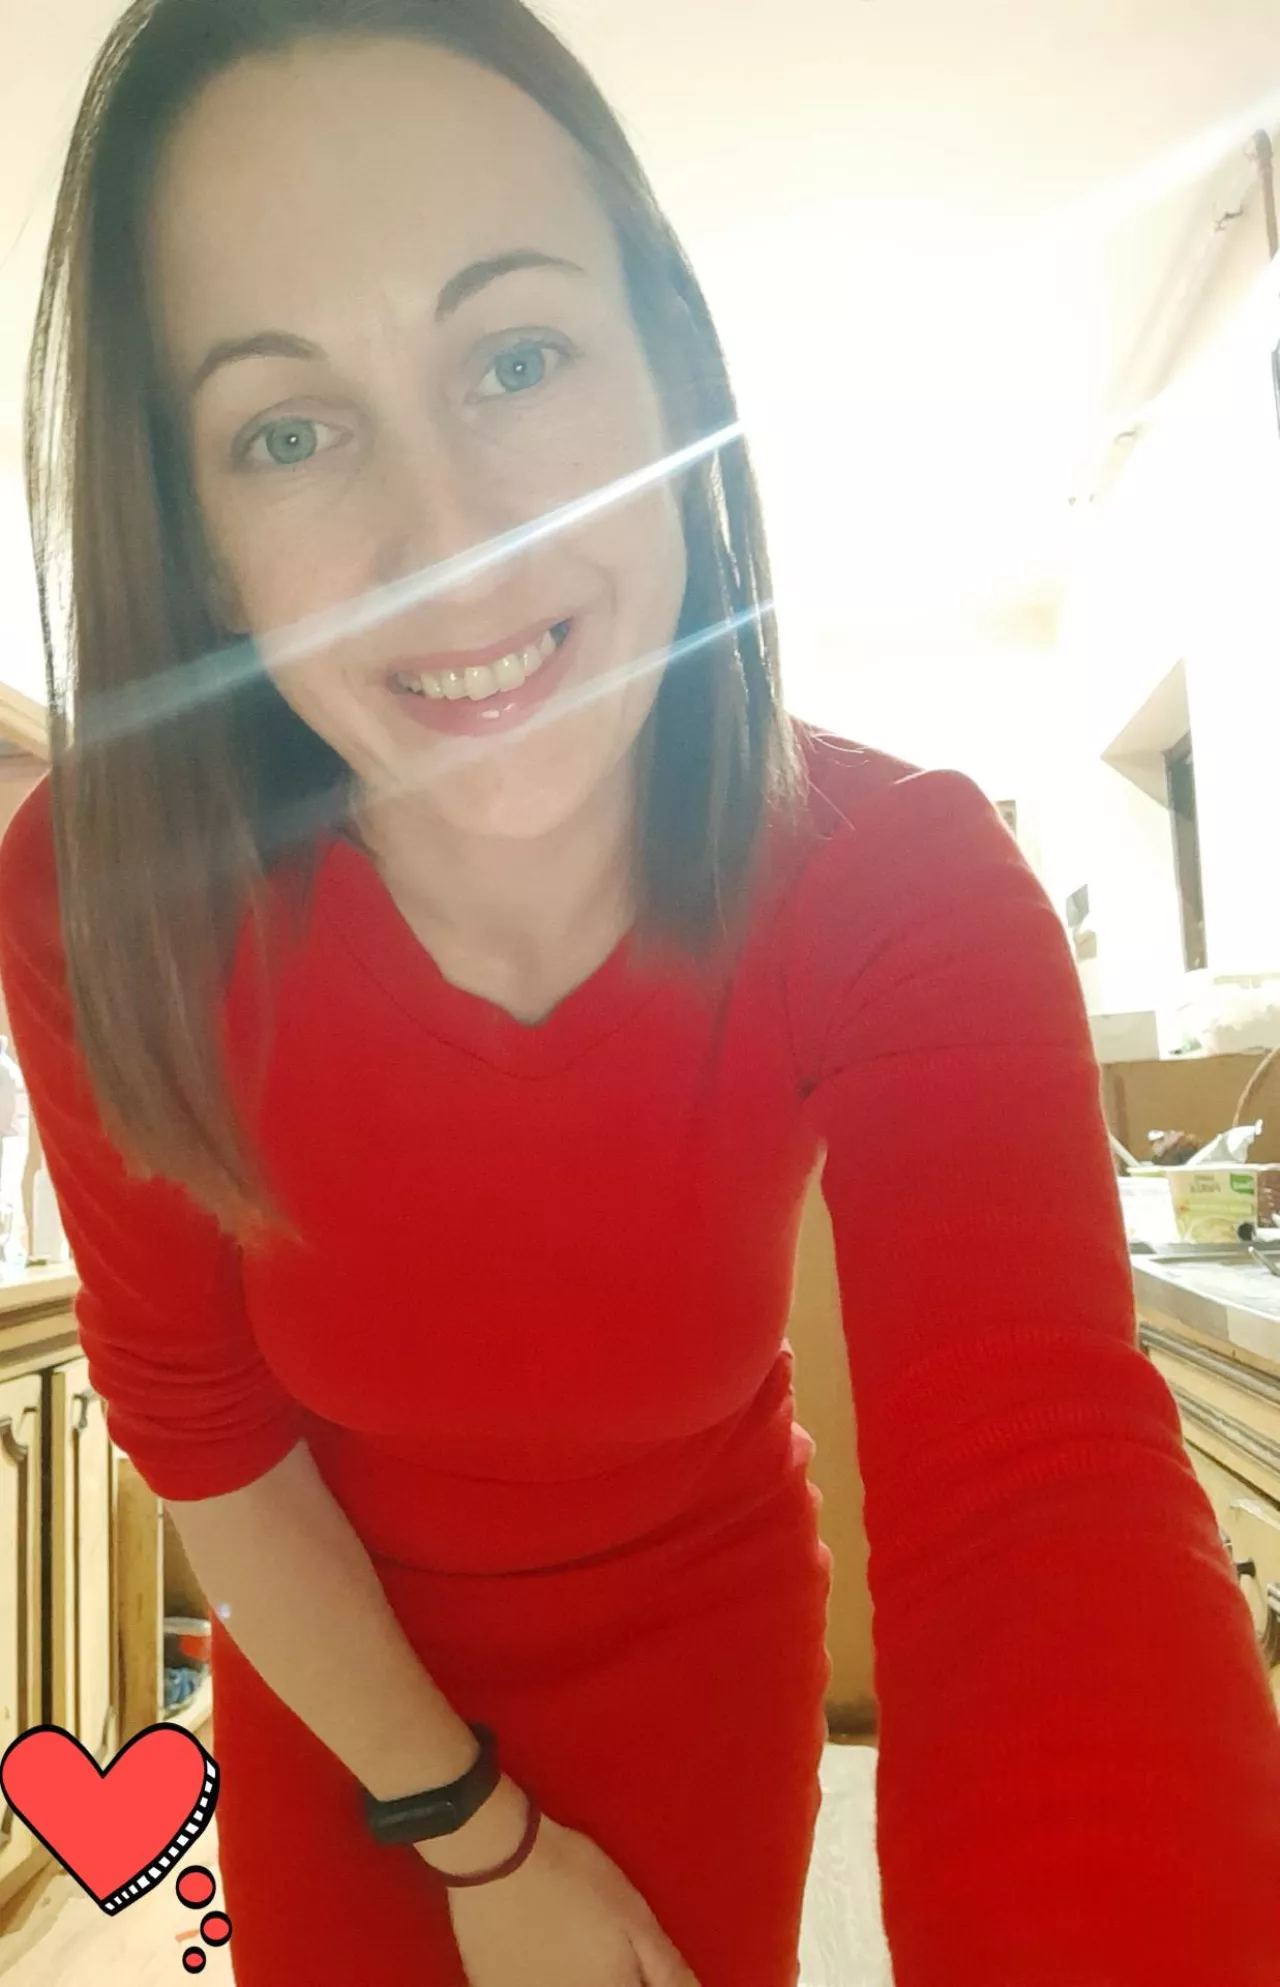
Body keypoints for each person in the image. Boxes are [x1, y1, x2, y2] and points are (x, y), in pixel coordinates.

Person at [2, 3, 1278, 1983]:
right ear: (202, 546)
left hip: (708, 1658)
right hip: (341, 1697)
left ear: (673, 380)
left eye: (517, 357)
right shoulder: (102, 903)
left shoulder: (903, 881)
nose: (452, 544)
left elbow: (1042, 1497)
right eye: (286, 430)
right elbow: (198, 1415)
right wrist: (471, 1829)